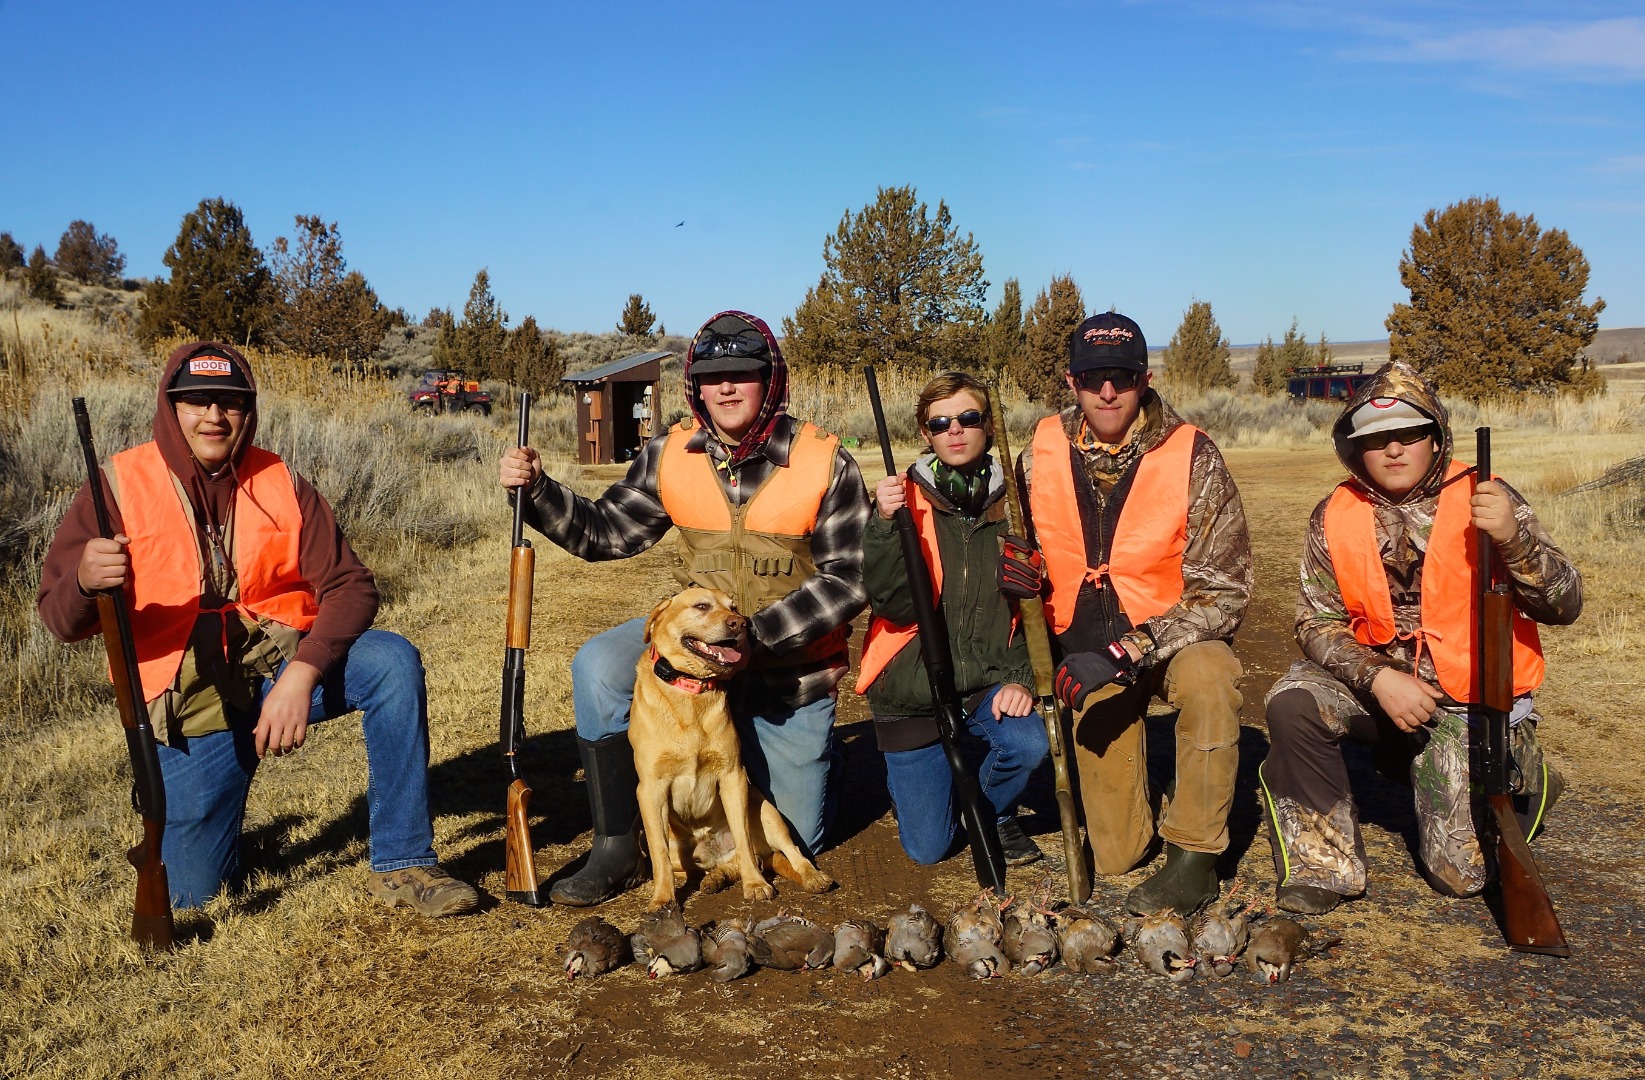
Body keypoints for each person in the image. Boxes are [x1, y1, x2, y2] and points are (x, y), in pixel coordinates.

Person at [38, 341, 478, 917]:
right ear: (170, 407)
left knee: (392, 663)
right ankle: (199, 815)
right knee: (194, 894)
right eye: (197, 402)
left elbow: (352, 586)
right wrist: (85, 582)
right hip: (192, 704)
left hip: (277, 676)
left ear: (249, 411)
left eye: (231, 403)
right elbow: (56, 616)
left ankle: (403, 865)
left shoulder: (282, 479)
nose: (214, 417)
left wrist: (302, 674)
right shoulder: (117, 485)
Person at [498, 310, 868, 906]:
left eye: (743, 373)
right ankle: (618, 844)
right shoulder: (671, 453)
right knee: (598, 665)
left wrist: (751, 640)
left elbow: (849, 580)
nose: (726, 387)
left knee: (797, 839)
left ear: (772, 380)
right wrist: (538, 490)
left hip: (786, 673)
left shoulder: (826, 460)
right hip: (695, 649)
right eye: (711, 375)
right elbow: (606, 532)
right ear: (695, 385)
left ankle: (815, 759)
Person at [1258, 362, 1580, 914]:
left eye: (1409, 434)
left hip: (1466, 702)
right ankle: (1323, 866)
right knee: (1292, 703)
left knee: (1462, 878)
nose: (1393, 449)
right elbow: (1315, 622)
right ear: (1354, 448)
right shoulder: (1333, 513)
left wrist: (1514, 538)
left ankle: (1524, 775)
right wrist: (1379, 677)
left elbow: (1564, 604)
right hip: (1381, 688)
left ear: (1436, 437)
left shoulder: (1489, 497)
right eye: (1376, 438)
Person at [1019, 311, 1251, 916]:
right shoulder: (1038, 450)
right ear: (1071, 381)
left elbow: (1224, 593)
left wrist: (1129, 648)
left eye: (1120, 376)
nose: (1107, 391)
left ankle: (1196, 856)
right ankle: (1174, 788)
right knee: (1119, 854)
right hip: (1085, 654)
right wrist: (1013, 574)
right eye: (1093, 376)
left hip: (1171, 644)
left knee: (1212, 679)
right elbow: (1025, 549)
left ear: (1144, 378)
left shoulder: (1192, 453)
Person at [857, 372, 1050, 867]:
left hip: (986, 683)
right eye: (940, 423)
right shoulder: (900, 503)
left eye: (968, 418)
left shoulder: (1021, 507)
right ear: (926, 434)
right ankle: (926, 788)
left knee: (1028, 743)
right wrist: (883, 527)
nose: (955, 431)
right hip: (912, 691)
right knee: (929, 849)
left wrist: (1021, 679)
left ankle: (993, 815)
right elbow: (892, 605)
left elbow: (1040, 608)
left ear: (987, 425)